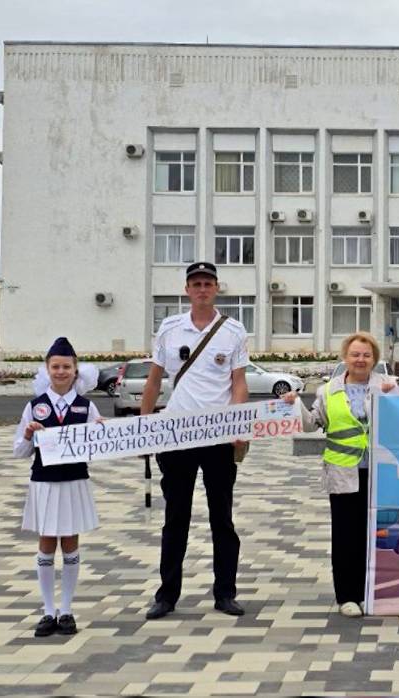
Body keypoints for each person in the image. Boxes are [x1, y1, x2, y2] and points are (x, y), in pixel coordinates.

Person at [145, 261, 252, 620]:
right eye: (196, 283)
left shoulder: (233, 330)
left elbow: (238, 383)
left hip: (219, 435)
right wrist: (144, 426)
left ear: (217, 288)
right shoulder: (170, 328)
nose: (202, 289)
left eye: (208, 283)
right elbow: (155, 379)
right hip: (177, 435)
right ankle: (166, 595)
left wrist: (238, 426)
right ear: (187, 289)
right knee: (176, 517)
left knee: (222, 518)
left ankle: (225, 593)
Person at [281, 332, 397, 617]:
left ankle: (371, 593)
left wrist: (396, 392)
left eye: (367, 355)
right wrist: (294, 404)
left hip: (379, 474)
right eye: (355, 354)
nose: (361, 360)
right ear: (345, 357)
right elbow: (311, 425)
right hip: (343, 473)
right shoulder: (328, 390)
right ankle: (347, 595)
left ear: (375, 360)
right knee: (346, 536)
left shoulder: (387, 387)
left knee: (376, 535)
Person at [11, 337, 102, 637]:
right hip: (45, 483)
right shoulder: (34, 406)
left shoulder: (86, 407)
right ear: (47, 370)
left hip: (74, 482)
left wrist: (100, 433)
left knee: (71, 542)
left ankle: (67, 610)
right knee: (47, 542)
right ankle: (47, 610)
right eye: (55, 367)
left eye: (66, 367)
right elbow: (19, 452)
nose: (61, 372)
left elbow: (98, 450)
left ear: (76, 371)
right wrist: (27, 434)